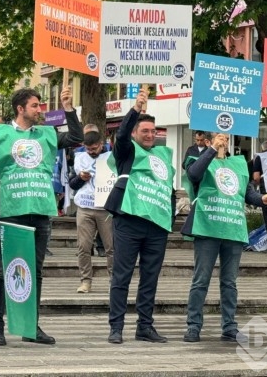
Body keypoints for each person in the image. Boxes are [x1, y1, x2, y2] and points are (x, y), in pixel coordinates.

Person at [0, 86, 83, 347]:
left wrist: (68, 108)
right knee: (3, 269)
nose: (40, 110)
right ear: (20, 108)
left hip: (39, 210)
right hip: (11, 210)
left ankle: (30, 326)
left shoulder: (46, 134)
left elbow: (75, 137)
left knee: (34, 271)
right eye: (36, 106)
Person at [105, 89, 176, 344]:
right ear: (135, 134)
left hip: (156, 225)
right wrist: (136, 108)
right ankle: (116, 327)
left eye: (152, 131)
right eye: (144, 131)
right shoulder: (127, 151)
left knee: (150, 278)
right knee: (122, 276)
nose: (149, 135)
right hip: (129, 220)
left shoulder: (163, 156)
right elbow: (121, 134)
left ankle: (144, 326)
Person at [182, 132, 262, 343]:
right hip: (208, 228)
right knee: (201, 279)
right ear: (208, 142)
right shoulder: (198, 160)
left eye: (226, 139)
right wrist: (210, 151)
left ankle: (229, 326)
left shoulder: (238, 164)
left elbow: (247, 194)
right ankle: (193, 325)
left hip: (233, 229)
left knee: (230, 282)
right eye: (219, 138)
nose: (224, 142)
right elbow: (194, 175)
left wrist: (262, 198)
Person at [67, 130, 114, 293]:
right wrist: (80, 177)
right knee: (83, 247)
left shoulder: (111, 157)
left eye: (94, 148)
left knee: (111, 247)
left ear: (102, 144)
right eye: (88, 149)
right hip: (84, 208)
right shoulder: (79, 158)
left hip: (105, 210)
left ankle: (114, 281)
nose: (91, 152)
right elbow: (71, 184)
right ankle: (85, 281)